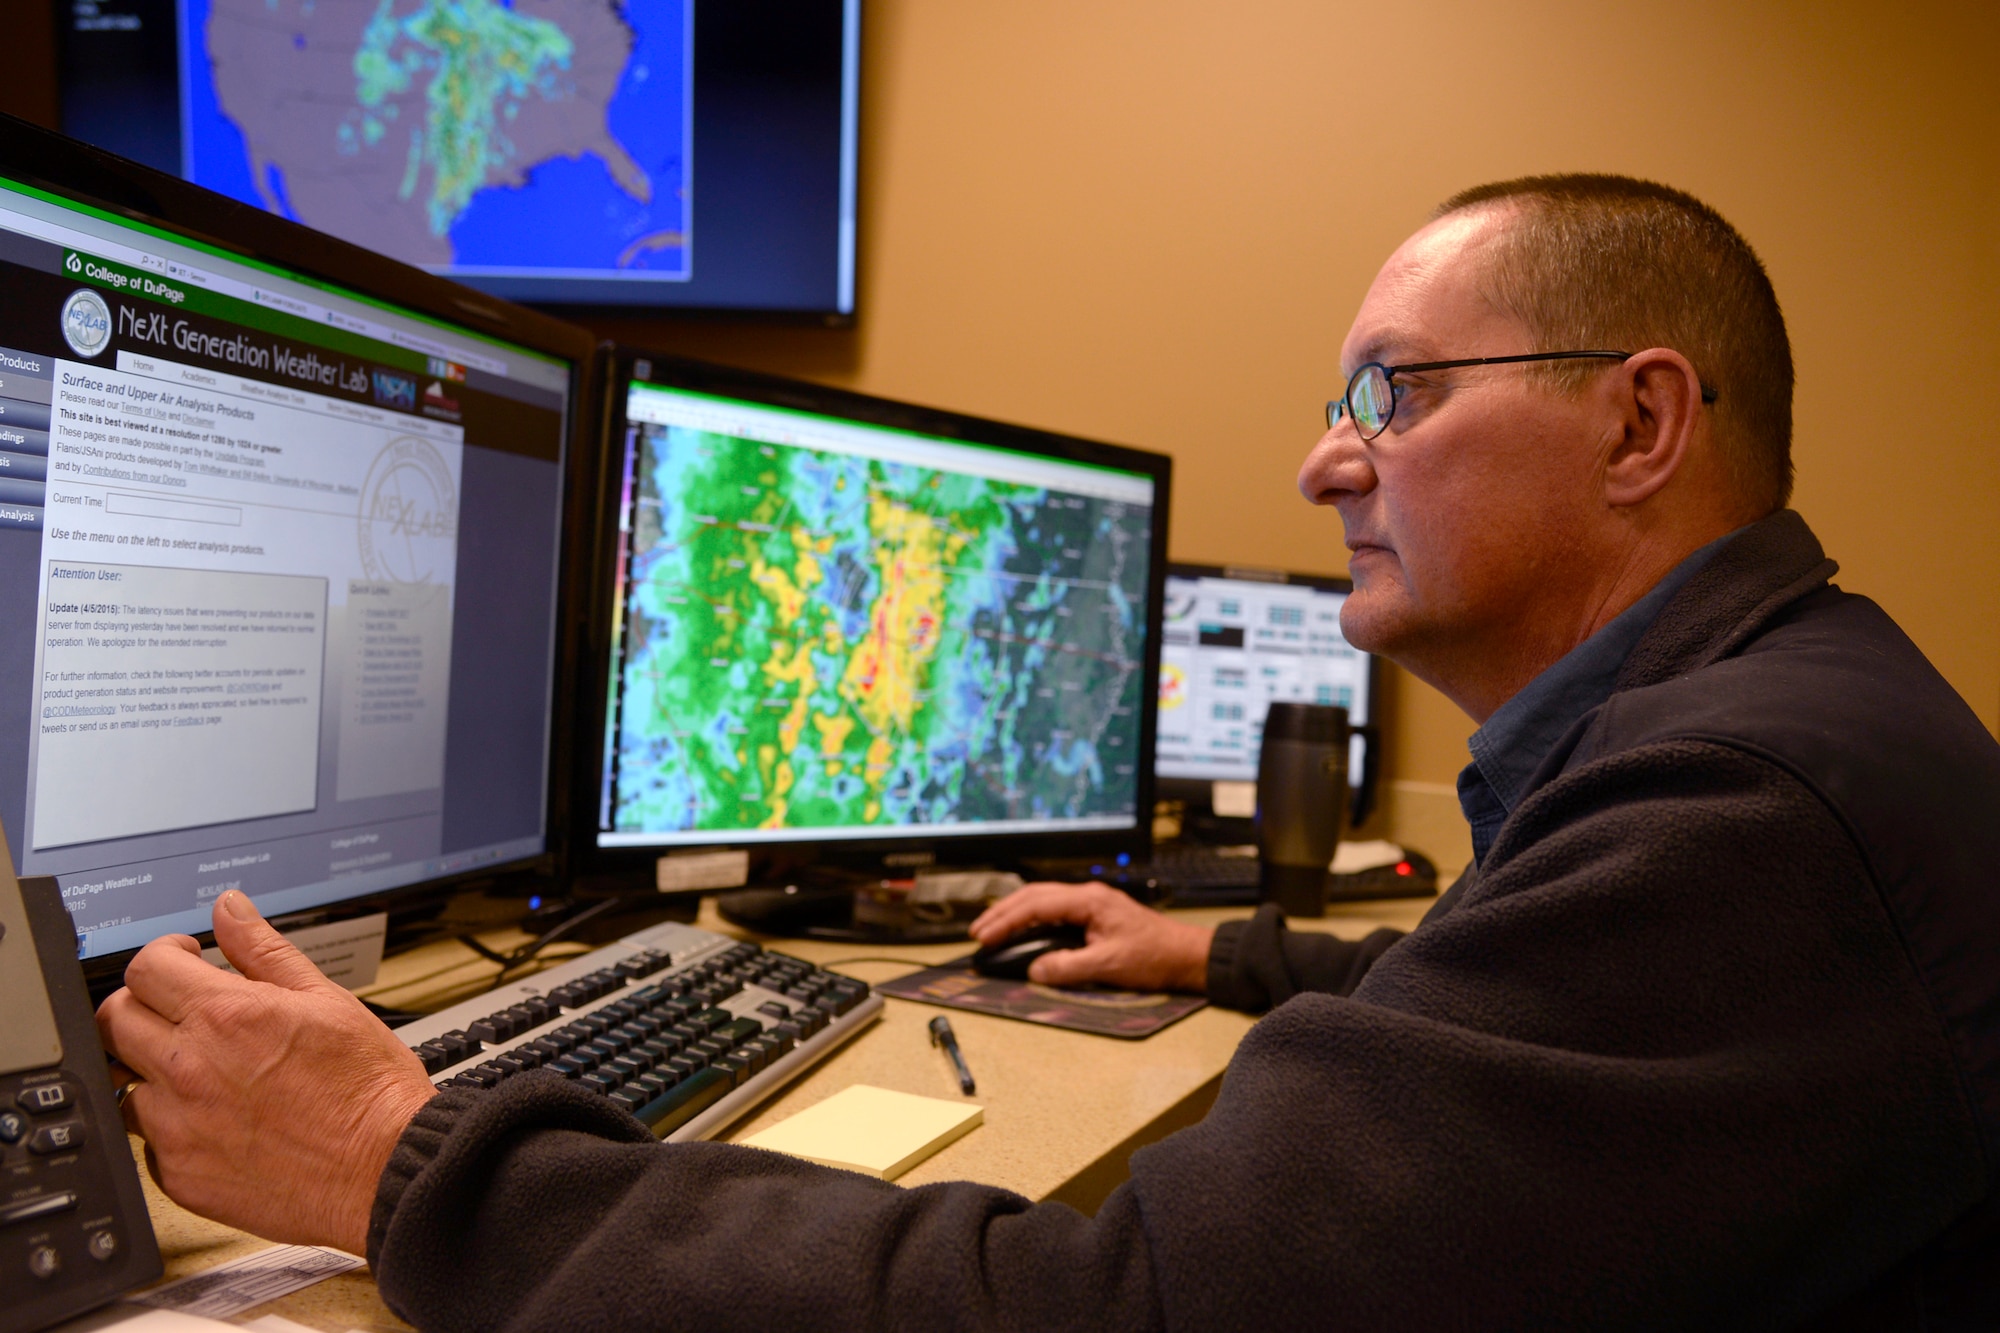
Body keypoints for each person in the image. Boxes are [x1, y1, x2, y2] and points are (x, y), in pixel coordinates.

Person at [98, 175, 2000, 1330]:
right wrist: (1236, 953)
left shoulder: (1740, 816)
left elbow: (1122, 1313)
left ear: (1643, 420)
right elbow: (1557, 1032)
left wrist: (394, 1152)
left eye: (1389, 395)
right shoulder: (1783, 723)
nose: (1328, 458)